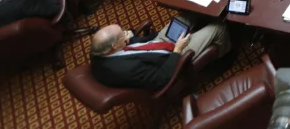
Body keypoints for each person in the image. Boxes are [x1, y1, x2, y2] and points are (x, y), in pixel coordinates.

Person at [88, 16, 231, 90]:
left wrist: (132, 38)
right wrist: (177, 50)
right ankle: (224, 58)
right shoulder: (127, 69)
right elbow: (161, 79)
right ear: (114, 45)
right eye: (122, 35)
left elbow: (135, 46)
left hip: (155, 44)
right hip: (171, 57)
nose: (127, 34)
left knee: (187, 14)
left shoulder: (98, 50)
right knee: (218, 27)